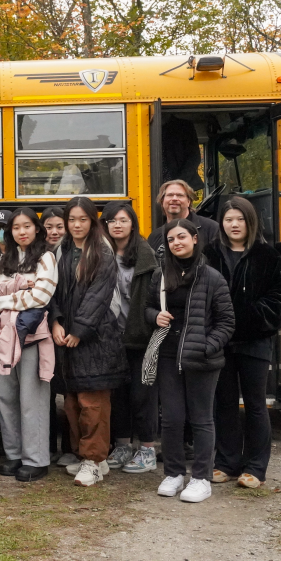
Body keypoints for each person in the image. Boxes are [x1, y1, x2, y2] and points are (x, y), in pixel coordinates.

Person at [207, 197, 281, 489]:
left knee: (256, 404)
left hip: (255, 342)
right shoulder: (209, 254)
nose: (234, 224)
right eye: (228, 219)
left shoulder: (268, 256)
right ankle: (226, 463)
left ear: (250, 222)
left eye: (240, 219)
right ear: (221, 223)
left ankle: (256, 467)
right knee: (225, 403)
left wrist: (250, 316)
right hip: (220, 342)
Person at [146, 218, 235, 503]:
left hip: (202, 358)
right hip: (168, 354)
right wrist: (155, 316)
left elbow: (226, 322)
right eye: (171, 239)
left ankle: (201, 478)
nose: (176, 243)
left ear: (194, 239)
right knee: (171, 419)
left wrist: (207, 347)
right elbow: (147, 308)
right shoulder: (160, 275)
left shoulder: (212, 277)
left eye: (181, 237)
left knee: (201, 419)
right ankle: (173, 473)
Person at [49, 197, 128, 487]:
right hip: (67, 338)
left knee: (93, 403)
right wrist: (55, 321)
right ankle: (93, 458)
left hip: (96, 339)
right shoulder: (60, 250)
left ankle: (93, 461)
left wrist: (80, 330)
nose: (77, 225)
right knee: (72, 404)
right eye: (72, 219)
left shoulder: (102, 251)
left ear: (92, 221)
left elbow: (99, 295)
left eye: (83, 219)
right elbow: (51, 291)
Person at [0, 208, 58, 482]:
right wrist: (19, 286)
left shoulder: (46, 257)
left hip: (31, 337)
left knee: (32, 399)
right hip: (2, 337)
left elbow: (41, 295)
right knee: (5, 397)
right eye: (16, 227)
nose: (21, 232)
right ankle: (14, 454)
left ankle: (36, 460)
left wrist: (4, 298)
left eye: (27, 226)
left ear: (37, 228)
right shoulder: (4, 259)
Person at [101, 202, 162, 474]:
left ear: (133, 224)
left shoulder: (147, 256)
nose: (117, 225)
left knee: (143, 395)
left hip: (141, 337)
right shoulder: (101, 254)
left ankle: (147, 449)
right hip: (112, 337)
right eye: (112, 220)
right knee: (118, 395)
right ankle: (123, 445)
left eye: (123, 220)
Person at [41, 206, 71, 464]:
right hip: (43, 329)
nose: (54, 232)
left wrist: (60, 321)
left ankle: (71, 447)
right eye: (48, 227)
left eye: (59, 227)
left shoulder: (74, 252)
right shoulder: (37, 255)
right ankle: (48, 445)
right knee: (45, 390)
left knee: (71, 389)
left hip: (68, 328)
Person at [146, 180, 219, 257]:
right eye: (170, 195)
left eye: (180, 195)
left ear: (189, 201)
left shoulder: (211, 228)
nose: (174, 198)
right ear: (162, 201)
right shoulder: (154, 236)